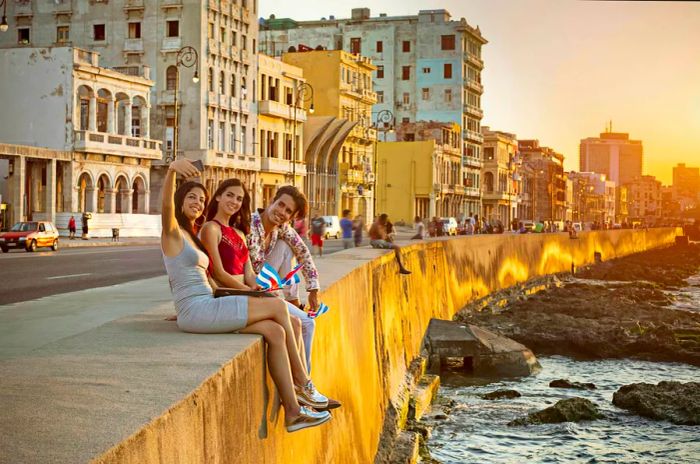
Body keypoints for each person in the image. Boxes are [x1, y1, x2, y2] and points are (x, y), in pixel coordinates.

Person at [160, 160, 331, 432]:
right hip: (199, 311)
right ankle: (303, 382)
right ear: (180, 200)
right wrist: (171, 171)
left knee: (275, 332)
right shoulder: (172, 232)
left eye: (202, 199)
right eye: (191, 197)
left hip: (204, 306)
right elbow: (166, 208)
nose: (197, 202)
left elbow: (197, 277)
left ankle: (294, 412)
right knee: (277, 307)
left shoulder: (193, 236)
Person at [200, 179, 321, 378]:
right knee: (306, 324)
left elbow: (303, 252)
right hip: (250, 290)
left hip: (262, 287)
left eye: (288, 211)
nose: (282, 212)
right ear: (272, 201)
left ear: (291, 217)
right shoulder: (248, 224)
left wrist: (313, 289)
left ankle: (304, 383)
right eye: (280, 204)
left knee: (286, 247)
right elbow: (239, 271)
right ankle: (305, 383)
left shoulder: (280, 228)